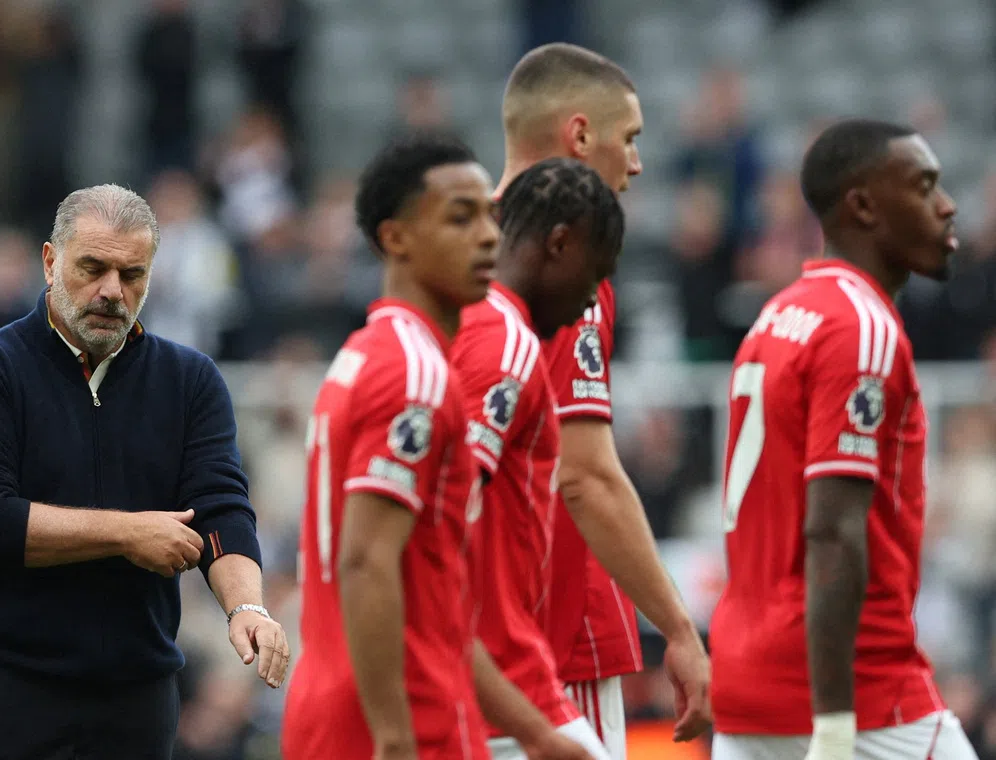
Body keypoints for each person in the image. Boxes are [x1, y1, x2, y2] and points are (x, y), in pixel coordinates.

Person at [0, 184, 289, 760]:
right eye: (93, 267)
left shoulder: (190, 380)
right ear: (50, 261)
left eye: (132, 274)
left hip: (132, 697)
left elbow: (220, 509)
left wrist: (247, 607)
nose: (112, 291)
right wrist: (127, 533)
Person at [280, 131, 592, 760]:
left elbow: (435, 603)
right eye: (459, 217)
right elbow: (366, 564)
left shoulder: (366, 354)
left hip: (336, 706)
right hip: (403, 720)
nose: (487, 237)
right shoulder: (414, 376)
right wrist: (396, 742)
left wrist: (534, 735)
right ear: (395, 238)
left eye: (489, 217)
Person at [709, 119, 977, 759]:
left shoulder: (779, 314)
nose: (947, 204)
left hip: (750, 683)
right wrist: (834, 720)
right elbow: (831, 529)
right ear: (863, 205)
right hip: (855, 694)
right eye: (924, 185)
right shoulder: (861, 328)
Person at [495, 42, 712, 756]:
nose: (638, 162)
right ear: (580, 135)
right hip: (551, 639)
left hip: (452, 642)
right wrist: (680, 630)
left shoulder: (440, 253)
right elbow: (584, 474)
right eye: (631, 139)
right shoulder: (566, 262)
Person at [452, 156, 626, 760]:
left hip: (493, 682)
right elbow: (433, 530)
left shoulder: (466, 325)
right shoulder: (506, 344)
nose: (588, 304)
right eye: (594, 274)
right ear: (560, 245)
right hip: (496, 686)